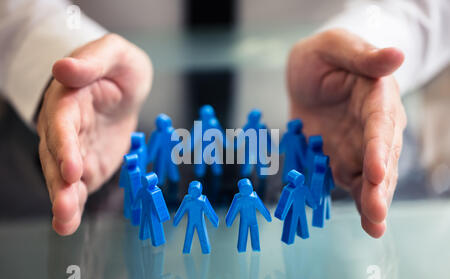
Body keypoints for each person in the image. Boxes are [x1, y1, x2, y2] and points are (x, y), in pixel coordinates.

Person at [0, 0, 449, 238]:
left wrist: (372, 44)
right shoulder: (159, 158)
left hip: (342, 133)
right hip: (97, 138)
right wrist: (52, 46)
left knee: (289, 238)